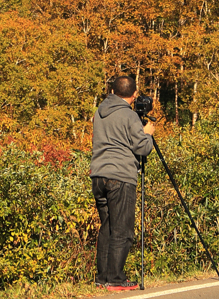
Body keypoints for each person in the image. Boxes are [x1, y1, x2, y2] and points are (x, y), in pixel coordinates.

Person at [90, 73, 156, 290]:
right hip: (121, 176)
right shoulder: (129, 117)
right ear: (134, 94)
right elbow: (143, 148)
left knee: (107, 227)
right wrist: (147, 133)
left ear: (112, 92)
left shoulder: (99, 113)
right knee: (123, 230)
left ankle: (103, 278)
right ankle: (116, 279)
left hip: (98, 175)